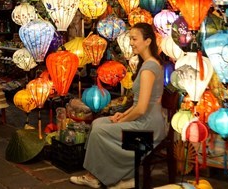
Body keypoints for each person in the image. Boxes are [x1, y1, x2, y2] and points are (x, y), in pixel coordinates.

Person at [69, 22, 165, 189]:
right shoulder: (148, 64)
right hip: (144, 120)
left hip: (148, 128)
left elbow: (142, 108)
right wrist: (123, 115)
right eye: (130, 39)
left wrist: (122, 120)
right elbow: (139, 104)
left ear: (148, 41)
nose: (131, 43)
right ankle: (98, 175)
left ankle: (115, 175)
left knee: (100, 130)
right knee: (98, 123)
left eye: (134, 39)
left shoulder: (149, 67)